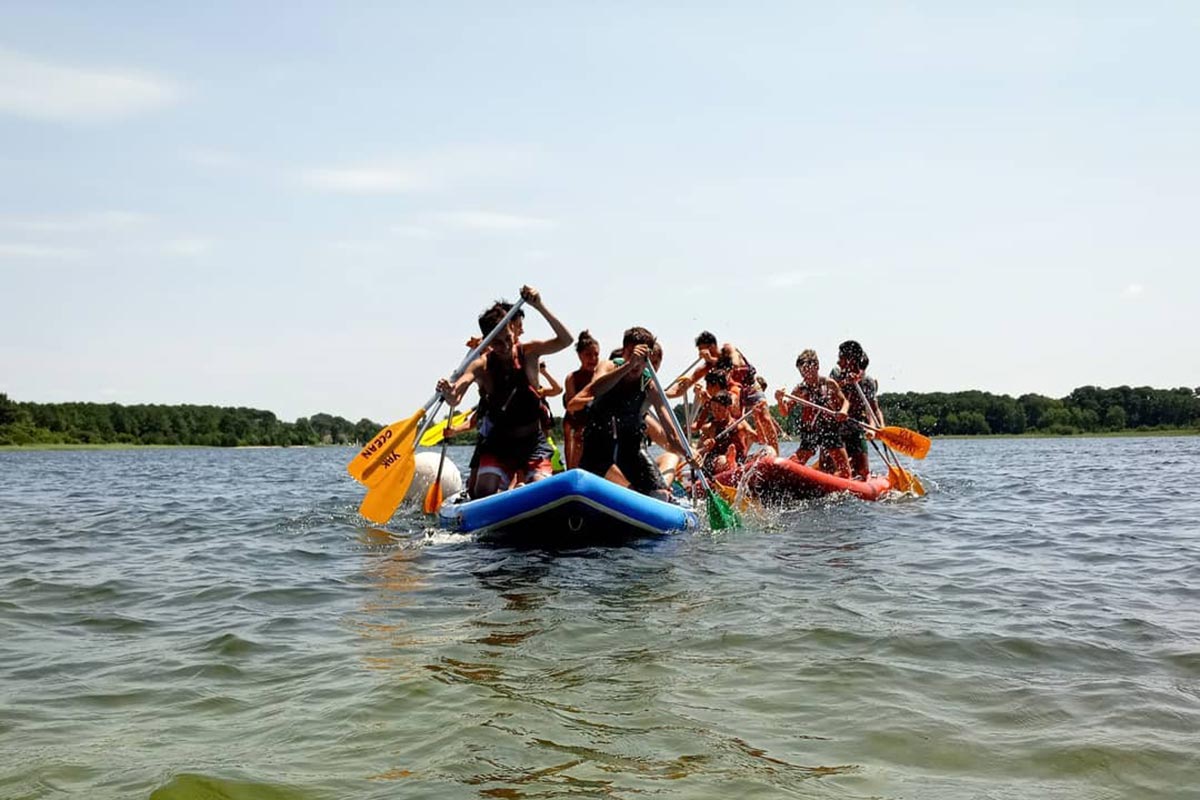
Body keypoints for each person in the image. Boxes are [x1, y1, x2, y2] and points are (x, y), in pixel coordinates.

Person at [436, 286, 573, 498]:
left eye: (508, 337)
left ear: (512, 328)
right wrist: (448, 391)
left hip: (532, 442)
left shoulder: (529, 352)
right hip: (499, 444)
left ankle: (523, 489)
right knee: (483, 492)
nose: (505, 345)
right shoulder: (481, 365)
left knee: (541, 489)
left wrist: (539, 306)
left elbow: (566, 340)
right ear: (488, 342)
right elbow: (456, 398)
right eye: (497, 343)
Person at [576, 327, 691, 501]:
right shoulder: (608, 366)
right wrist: (628, 365)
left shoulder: (649, 384)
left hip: (631, 451)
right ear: (623, 353)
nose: (637, 363)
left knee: (661, 495)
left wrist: (689, 454)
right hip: (598, 451)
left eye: (642, 358)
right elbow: (596, 389)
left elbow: (670, 431)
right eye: (631, 354)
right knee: (627, 490)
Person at [776, 349, 851, 478]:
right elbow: (784, 412)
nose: (805, 376)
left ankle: (842, 481)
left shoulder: (829, 384)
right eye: (802, 372)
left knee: (844, 470)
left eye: (807, 371)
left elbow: (845, 401)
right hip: (810, 431)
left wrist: (843, 411)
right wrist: (779, 400)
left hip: (829, 429)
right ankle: (785, 478)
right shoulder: (800, 389)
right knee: (797, 460)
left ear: (817, 366)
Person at [830, 340, 884, 481]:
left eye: (841, 358)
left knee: (863, 471)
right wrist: (845, 383)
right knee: (829, 468)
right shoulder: (835, 374)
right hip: (834, 429)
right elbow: (829, 393)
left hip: (856, 428)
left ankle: (860, 479)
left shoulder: (867, 382)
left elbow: (873, 410)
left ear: (850, 360)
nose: (838, 362)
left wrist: (876, 428)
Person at [562, 330, 600, 469]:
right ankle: (571, 470)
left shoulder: (602, 376)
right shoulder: (572, 377)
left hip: (594, 423)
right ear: (579, 355)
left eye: (596, 355)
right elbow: (571, 405)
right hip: (575, 422)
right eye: (588, 355)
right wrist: (594, 398)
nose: (593, 359)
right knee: (574, 433)